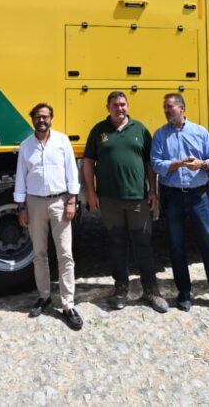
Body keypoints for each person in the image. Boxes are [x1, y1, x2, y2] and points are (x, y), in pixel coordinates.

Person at [150, 93, 209, 317]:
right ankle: (184, 292)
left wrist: (202, 164)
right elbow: (155, 163)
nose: (167, 111)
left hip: (198, 196)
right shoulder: (160, 135)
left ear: (182, 108)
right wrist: (173, 165)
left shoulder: (200, 132)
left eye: (170, 107)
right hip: (173, 196)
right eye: (165, 107)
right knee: (176, 246)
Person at [83, 91, 168, 313]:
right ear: (108, 107)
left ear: (128, 106)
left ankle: (151, 290)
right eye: (115, 105)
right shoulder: (98, 131)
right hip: (109, 200)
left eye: (123, 104)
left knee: (143, 244)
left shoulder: (140, 130)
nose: (119, 108)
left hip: (138, 198)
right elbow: (89, 162)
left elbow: (149, 163)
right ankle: (121, 289)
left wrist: (152, 190)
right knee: (117, 244)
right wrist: (91, 192)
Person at [14, 103, 84, 330]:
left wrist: (72, 200)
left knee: (65, 254)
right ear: (32, 119)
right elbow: (21, 178)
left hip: (60, 202)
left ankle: (68, 304)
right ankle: (44, 297)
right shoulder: (26, 146)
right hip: (34, 203)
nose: (41, 120)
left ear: (51, 119)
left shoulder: (62, 141)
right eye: (37, 116)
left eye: (45, 116)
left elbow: (72, 171)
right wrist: (21, 207)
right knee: (39, 253)